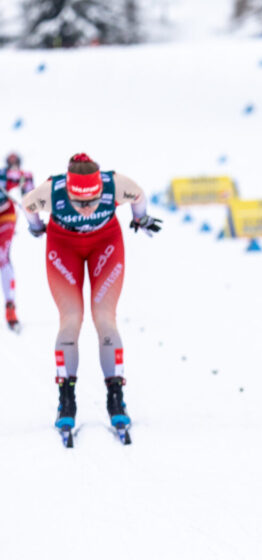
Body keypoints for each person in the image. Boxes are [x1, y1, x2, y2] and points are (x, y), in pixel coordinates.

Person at [21, 153, 161, 431]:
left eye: (92, 201)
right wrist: (36, 227)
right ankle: (67, 398)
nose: (86, 208)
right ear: (68, 192)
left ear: (100, 190)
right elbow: (28, 206)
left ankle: (116, 397)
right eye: (79, 202)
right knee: (71, 318)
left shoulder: (115, 185)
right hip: (63, 246)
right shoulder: (51, 191)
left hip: (105, 244)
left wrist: (140, 218)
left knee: (104, 317)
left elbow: (139, 195)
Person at [0, 151, 34, 331]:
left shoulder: (6, 174)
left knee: (2, 257)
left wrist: (26, 194)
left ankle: (10, 307)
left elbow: (26, 181)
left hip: (6, 214)